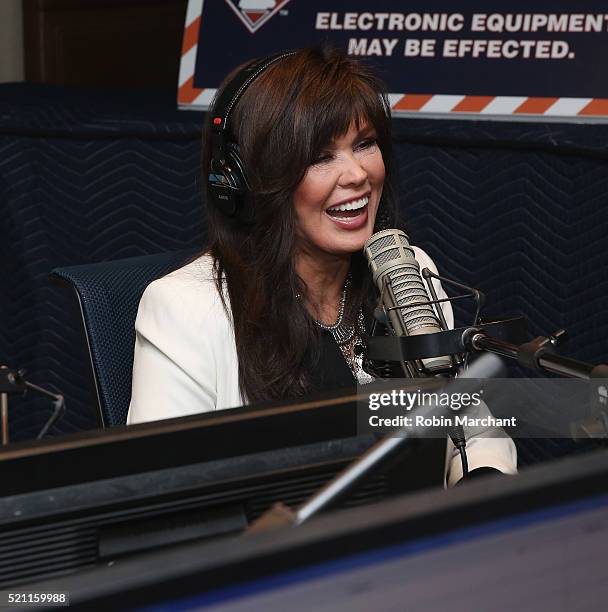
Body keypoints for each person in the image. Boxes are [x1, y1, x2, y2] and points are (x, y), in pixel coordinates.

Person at [127, 47, 516, 486]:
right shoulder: (186, 309)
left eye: (364, 144)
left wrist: (481, 487)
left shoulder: (407, 273)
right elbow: (164, 497)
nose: (356, 175)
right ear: (247, 182)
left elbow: (474, 431)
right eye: (319, 156)